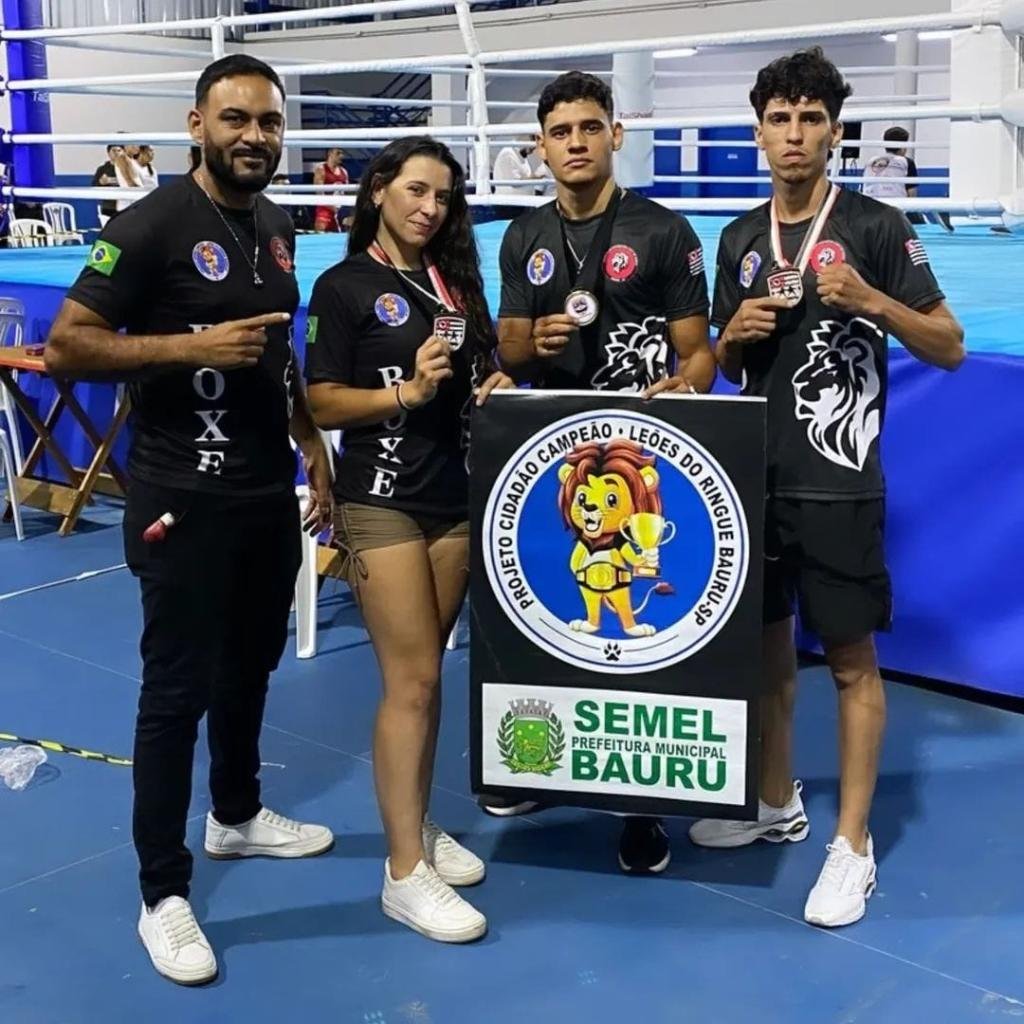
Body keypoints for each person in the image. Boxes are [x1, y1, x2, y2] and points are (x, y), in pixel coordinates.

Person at [43, 54, 335, 985]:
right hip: (179, 497)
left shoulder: (277, 226)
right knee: (176, 691)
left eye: (269, 123)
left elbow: (277, 350)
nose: (255, 136)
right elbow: (66, 347)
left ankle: (239, 815)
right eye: (236, 118)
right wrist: (187, 346)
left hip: (260, 490)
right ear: (196, 123)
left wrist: (311, 442)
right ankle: (162, 893)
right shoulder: (151, 224)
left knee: (250, 665)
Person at [692, 47, 964, 927]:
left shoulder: (878, 227)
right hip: (754, 478)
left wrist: (873, 302)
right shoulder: (737, 239)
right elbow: (722, 366)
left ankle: (852, 845)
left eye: (812, 119)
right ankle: (775, 803)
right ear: (760, 131)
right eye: (780, 118)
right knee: (768, 649)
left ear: (834, 133)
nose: (795, 133)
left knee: (849, 662)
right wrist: (731, 335)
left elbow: (950, 345)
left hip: (841, 484)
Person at [493, 70, 716, 875]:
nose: (577, 143)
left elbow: (700, 357)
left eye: (591, 127)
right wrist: (534, 344)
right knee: (556, 605)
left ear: (615, 135)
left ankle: (642, 808)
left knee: (628, 625)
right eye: (561, 132)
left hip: (637, 455)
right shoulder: (522, 235)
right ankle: (534, 765)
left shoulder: (662, 230)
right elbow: (509, 347)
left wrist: (679, 391)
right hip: (553, 455)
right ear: (543, 144)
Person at [304, 136, 513, 943]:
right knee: (414, 679)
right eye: (418, 191)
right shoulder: (344, 285)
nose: (431, 208)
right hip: (380, 500)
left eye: (444, 198)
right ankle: (401, 874)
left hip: (451, 496)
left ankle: (415, 827)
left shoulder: (453, 281)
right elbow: (321, 402)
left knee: (427, 682)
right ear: (379, 190)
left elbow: (480, 369)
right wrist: (406, 388)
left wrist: (490, 379)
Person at [864, 126, 952, 232]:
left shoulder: (870, 161)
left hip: (868, 209)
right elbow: (912, 194)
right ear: (903, 146)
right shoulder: (906, 162)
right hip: (896, 210)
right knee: (918, 216)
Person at [492, 142, 546, 220]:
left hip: (520, 204)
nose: (533, 149)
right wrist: (535, 177)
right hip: (509, 205)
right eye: (532, 145)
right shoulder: (508, 153)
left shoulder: (522, 157)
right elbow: (515, 182)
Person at [313, 147, 349, 232]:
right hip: (325, 209)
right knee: (320, 230)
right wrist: (333, 208)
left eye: (342, 153)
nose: (341, 156)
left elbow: (347, 192)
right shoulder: (321, 169)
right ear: (330, 153)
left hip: (340, 209)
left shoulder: (344, 171)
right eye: (338, 153)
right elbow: (319, 193)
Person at [91, 145, 120, 226]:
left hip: (125, 206)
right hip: (108, 206)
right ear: (108, 153)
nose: (117, 153)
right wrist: (101, 182)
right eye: (114, 151)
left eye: (119, 150)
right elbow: (94, 186)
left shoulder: (127, 168)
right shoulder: (102, 169)